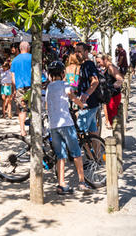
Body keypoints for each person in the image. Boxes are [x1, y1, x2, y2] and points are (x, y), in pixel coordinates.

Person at [44, 61, 91, 195]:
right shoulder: (65, 84)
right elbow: (72, 97)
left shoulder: (49, 87)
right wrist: (82, 105)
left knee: (61, 155)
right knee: (76, 153)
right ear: (62, 73)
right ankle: (82, 182)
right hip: (66, 123)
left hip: (53, 125)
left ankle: (61, 184)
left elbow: (47, 105)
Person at [76, 43, 101, 133]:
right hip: (90, 104)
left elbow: (95, 81)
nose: (77, 54)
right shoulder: (84, 65)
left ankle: (87, 147)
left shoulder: (88, 65)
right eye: (76, 52)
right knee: (93, 132)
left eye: (79, 51)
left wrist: (86, 95)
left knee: (81, 133)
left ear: (86, 52)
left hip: (88, 105)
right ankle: (96, 147)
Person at [10, 41, 32, 136]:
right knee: (33, 107)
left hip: (19, 87)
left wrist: (15, 89)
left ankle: (22, 130)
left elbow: (12, 78)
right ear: (28, 48)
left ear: (20, 48)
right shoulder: (32, 58)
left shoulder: (14, 60)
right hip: (31, 86)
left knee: (22, 109)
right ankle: (33, 128)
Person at [97, 54, 124, 128]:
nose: (98, 64)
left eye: (99, 62)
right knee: (112, 118)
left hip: (114, 96)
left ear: (105, 59)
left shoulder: (111, 68)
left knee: (113, 118)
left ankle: (116, 137)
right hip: (109, 96)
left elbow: (120, 79)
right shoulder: (107, 67)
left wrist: (114, 85)